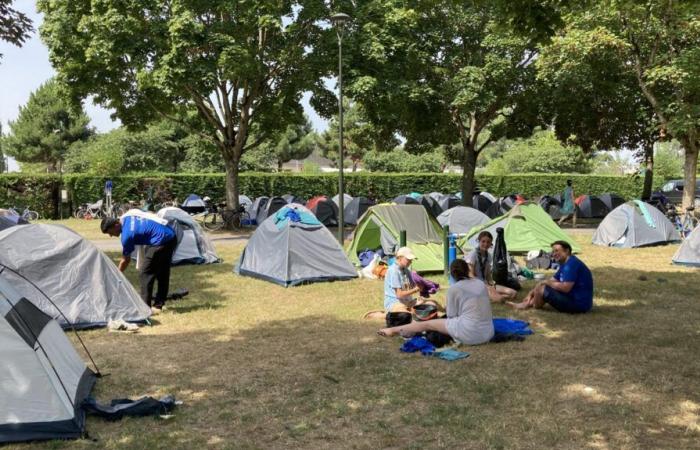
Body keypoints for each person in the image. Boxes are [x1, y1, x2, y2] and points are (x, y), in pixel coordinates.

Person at [378, 259, 494, 345]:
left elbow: (451, 316)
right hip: (488, 333)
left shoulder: (455, 289)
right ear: (467, 270)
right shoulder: (480, 283)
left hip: (469, 335)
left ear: (452, 274)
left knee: (427, 324)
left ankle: (392, 330)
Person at [101, 212, 177, 313]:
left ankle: (144, 308)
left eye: (110, 232)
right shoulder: (127, 217)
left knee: (145, 272)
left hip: (161, 241)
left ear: (116, 225)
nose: (110, 235)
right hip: (171, 235)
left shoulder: (127, 235)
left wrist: (117, 274)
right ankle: (159, 304)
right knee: (162, 271)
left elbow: (125, 260)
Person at [507, 241, 593, 313]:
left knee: (543, 288)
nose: (554, 254)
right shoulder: (565, 263)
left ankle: (528, 304)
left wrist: (544, 283)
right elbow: (552, 280)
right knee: (542, 286)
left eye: (557, 251)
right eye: (553, 252)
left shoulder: (571, 265)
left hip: (579, 305)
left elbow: (566, 288)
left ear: (566, 251)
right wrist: (531, 292)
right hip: (573, 299)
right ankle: (526, 304)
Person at [465, 231, 517, 303]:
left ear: (490, 244)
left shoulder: (488, 256)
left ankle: (490, 297)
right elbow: (470, 276)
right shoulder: (473, 254)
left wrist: (492, 284)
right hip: (476, 285)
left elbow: (488, 275)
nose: (485, 244)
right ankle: (492, 297)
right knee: (500, 299)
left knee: (513, 293)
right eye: (483, 241)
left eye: (488, 242)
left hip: (486, 284)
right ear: (478, 241)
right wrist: (485, 286)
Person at [384, 247, 424, 312]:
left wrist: (417, 279)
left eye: (411, 260)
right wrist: (416, 289)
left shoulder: (405, 269)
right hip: (394, 303)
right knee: (407, 314)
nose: (410, 262)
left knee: (427, 304)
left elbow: (413, 285)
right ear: (400, 258)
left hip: (406, 301)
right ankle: (383, 315)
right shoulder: (394, 271)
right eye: (408, 259)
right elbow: (399, 295)